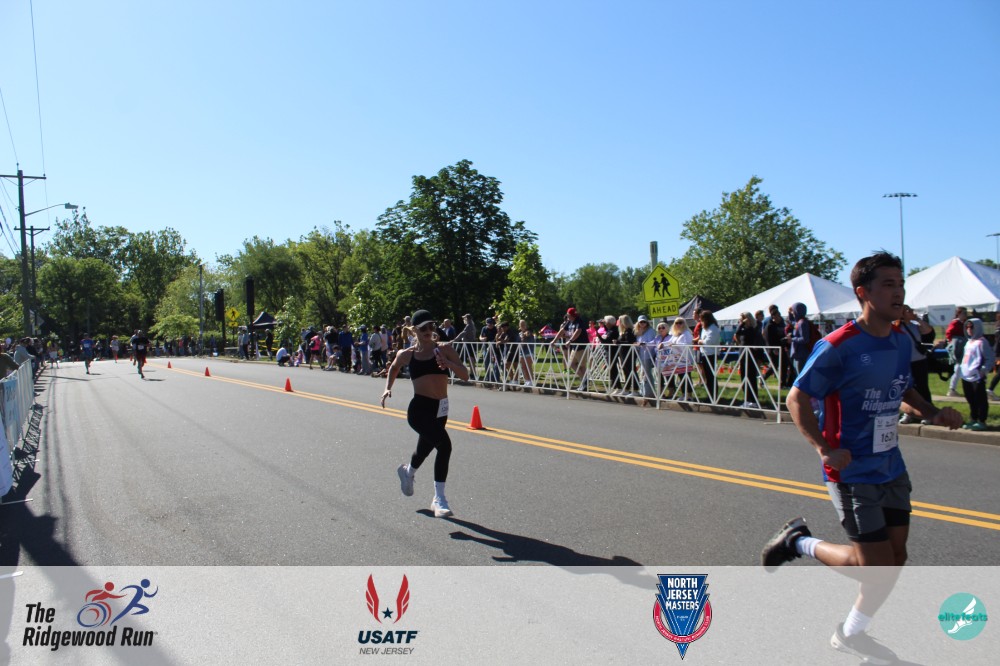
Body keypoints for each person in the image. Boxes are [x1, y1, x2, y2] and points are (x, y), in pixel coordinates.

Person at [761, 252, 962, 665]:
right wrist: (824, 448)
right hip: (851, 469)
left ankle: (851, 633)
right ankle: (800, 544)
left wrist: (932, 413)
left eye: (900, 284)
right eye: (888, 284)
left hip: (891, 464)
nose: (898, 292)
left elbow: (902, 387)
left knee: (895, 557)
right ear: (863, 293)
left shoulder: (900, 338)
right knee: (877, 566)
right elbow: (797, 397)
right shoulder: (839, 346)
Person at [381, 310, 470, 518]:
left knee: (424, 449)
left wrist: (449, 364)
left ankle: (408, 472)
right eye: (423, 328)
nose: (429, 331)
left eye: (432, 326)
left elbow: (465, 375)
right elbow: (394, 367)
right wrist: (387, 388)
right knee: (444, 446)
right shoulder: (408, 354)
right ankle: (439, 499)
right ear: (414, 330)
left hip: (441, 409)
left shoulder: (444, 349)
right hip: (419, 410)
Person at [896, 305, 935, 423]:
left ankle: (928, 414)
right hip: (904, 363)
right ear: (902, 313)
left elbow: (929, 331)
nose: (911, 312)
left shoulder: (915, 326)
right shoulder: (896, 327)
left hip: (919, 361)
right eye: (908, 311)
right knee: (906, 389)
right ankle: (909, 413)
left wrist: (917, 318)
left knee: (922, 388)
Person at [958, 317, 993, 431]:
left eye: (971, 327)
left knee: (980, 399)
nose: (969, 329)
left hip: (977, 376)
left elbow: (990, 358)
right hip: (966, 376)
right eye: (967, 327)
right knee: (971, 399)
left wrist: (983, 371)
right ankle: (973, 418)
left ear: (977, 327)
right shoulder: (968, 342)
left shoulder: (982, 342)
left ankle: (981, 420)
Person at [734, 312, 764, 407]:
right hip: (743, 354)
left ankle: (753, 400)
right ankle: (747, 399)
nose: (740, 321)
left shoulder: (752, 329)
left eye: (742, 319)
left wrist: (744, 323)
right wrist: (742, 324)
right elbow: (737, 333)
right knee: (744, 377)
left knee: (751, 377)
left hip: (750, 355)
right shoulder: (743, 328)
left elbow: (740, 332)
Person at [693, 311, 720, 401]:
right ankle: (710, 395)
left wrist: (701, 341)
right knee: (708, 376)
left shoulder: (713, 328)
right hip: (705, 353)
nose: (700, 321)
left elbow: (710, 341)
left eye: (701, 319)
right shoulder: (705, 328)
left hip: (711, 354)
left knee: (711, 375)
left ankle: (713, 396)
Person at [945, 306, 968, 397]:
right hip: (958, 346)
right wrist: (953, 342)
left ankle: (953, 388)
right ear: (958, 314)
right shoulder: (955, 322)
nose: (965, 315)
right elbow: (948, 333)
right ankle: (952, 389)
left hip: (962, 345)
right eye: (964, 313)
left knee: (960, 368)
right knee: (958, 367)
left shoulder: (963, 323)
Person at [634, 315, 657, 398]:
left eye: (644, 322)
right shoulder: (638, 332)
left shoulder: (650, 331)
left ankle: (648, 392)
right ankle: (644, 390)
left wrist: (644, 344)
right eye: (641, 322)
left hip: (648, 354)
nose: (642, 323)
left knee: (647, 373)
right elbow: (637, 342)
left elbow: (653, 342)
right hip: (641, 355)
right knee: (643, 373)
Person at [517, 320, 536, 387]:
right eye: (521, 325)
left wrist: (525, 335)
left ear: (526, 325)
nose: (522, 326)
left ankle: (531, 381)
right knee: (523, 367)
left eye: (523, 325)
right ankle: (527, 381)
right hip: (522, 352)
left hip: (528, 351)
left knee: (528, 366)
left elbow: (527, 334)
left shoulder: (529, 332)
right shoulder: (519, 334)